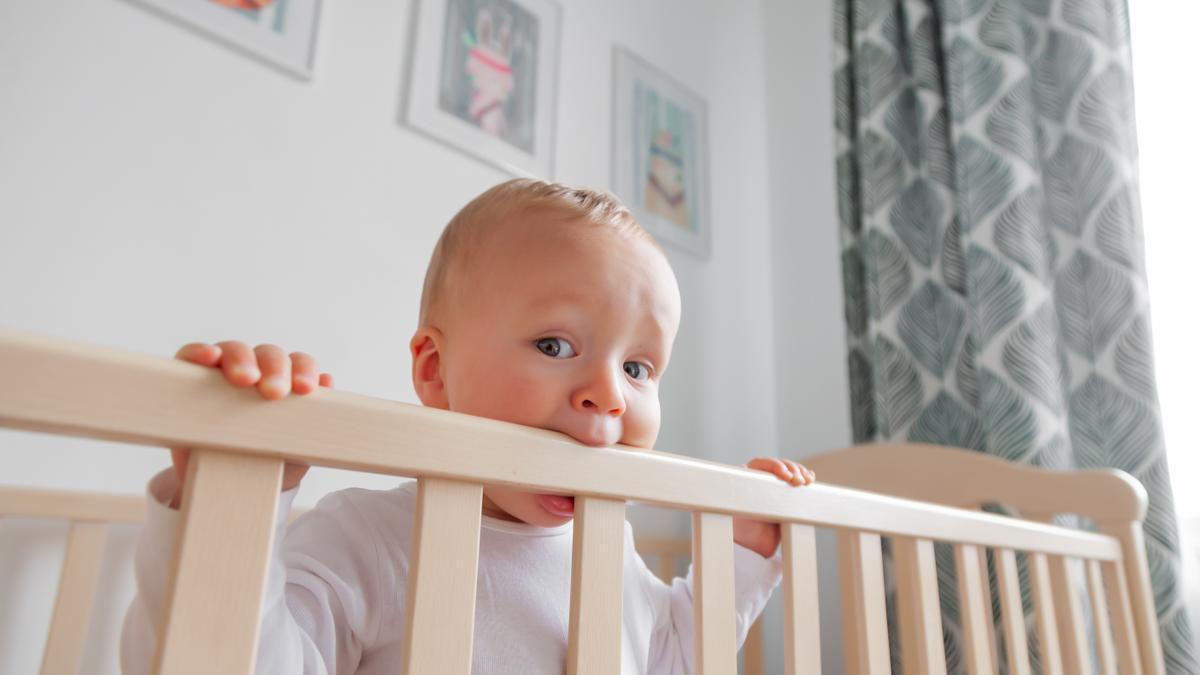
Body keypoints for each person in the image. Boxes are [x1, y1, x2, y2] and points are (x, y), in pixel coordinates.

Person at [121, 178, 815, 674]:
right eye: (555, 345)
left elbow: (674, 659)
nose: (608, 393)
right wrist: (229, 503)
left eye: (638, 367)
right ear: (435, 369)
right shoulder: (367, 539)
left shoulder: (610, 547)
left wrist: (746, 554)